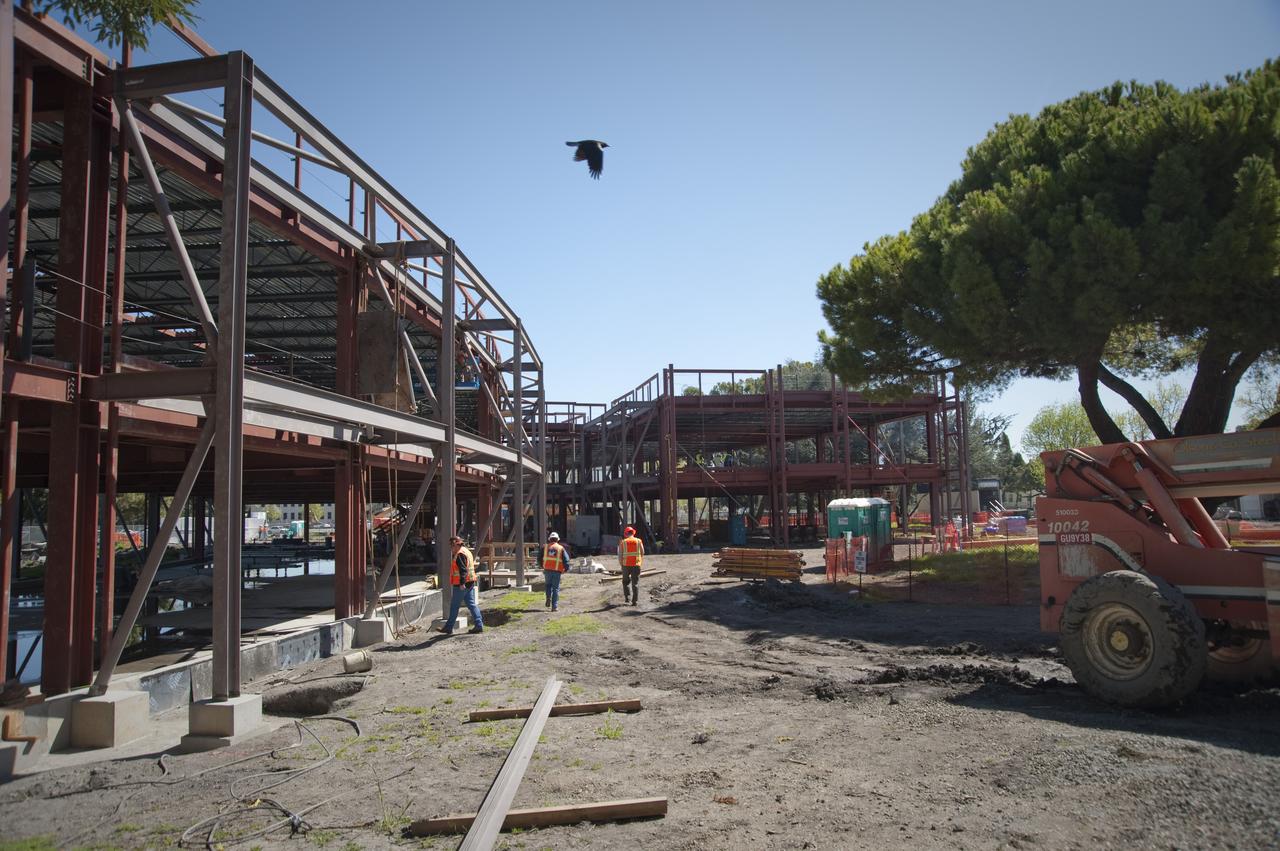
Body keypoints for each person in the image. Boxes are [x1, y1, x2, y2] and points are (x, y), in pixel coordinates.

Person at [440, 535, 484, 635]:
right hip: (470, 582)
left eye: (451, 546)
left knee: (454, 606)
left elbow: (463, 570)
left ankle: (449, 627)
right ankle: (479, 625)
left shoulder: (459, 554)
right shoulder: (466, 551)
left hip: (462, 584)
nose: (451, 549)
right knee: (472, 605)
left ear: (455, 545)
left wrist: (462, 583)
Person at [540, 531, 570, 611]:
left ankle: (548, 597)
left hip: (547, 570)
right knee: (555, 588)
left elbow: (539, 558)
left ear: (549, 539)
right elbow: (566, 560)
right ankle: (554, 607)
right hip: (557, 571)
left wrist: (542, 565)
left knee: (548, 585)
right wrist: (566, 568)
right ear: (557, 540)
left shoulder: (545, 547)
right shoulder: (560, 548)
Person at [617, 526, 645, 606]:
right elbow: (643, 552)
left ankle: (627, 598)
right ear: (633, 533)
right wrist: (639, 561)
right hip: (636, 565)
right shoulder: (639, 541)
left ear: (626, 534)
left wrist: (621, 564)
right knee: (635, 583)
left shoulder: (623, 542)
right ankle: (634, 601)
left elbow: (620, 554)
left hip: (625, 565)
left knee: (625, 582)